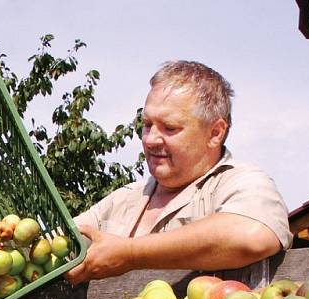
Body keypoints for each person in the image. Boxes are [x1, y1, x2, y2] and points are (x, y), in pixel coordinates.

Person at [65, 60, 292, 286]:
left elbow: (252, 234)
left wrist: (130, 253)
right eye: (147, 125)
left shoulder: (242, 183)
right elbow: (59, 241)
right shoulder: (123, 199)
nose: (150, 139)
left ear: (215, 133)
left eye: (170, 128)